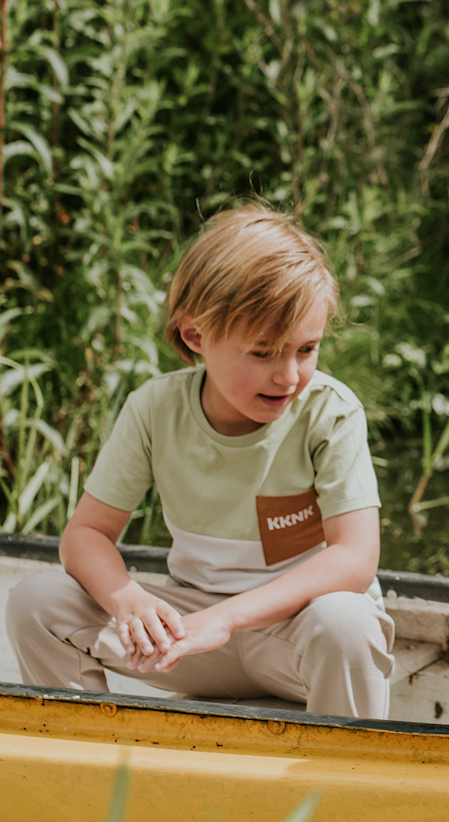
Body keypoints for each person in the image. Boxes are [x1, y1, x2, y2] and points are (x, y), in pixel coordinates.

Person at [7, 205, 394, 718]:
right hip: (193, 635)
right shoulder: (154, 408)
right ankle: (89, 768)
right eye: (263, 353)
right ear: (196, 336)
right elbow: (86, 535)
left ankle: (342, 789)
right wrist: (128, 600)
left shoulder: (330, 411)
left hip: (297, 638)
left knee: (346, 622)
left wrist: (227, 619)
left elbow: (354, 558)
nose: (288, 375)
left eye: (307, 349)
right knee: (35, 602)